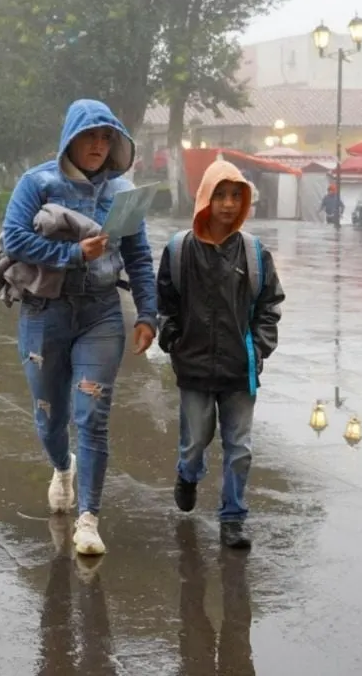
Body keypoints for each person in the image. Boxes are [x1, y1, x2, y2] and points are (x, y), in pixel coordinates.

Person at [1, 98, 158, 556]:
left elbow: (139, 257)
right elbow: (15, 238)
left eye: (106, 137)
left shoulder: (122, 192)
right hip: (43, 312)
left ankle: (89, 518)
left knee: (93, 416)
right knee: (50, 416)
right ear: (71, 138)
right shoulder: (37, 183)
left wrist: (147, 314)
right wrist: (74, 255)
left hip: (101, 314)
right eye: (90, 136)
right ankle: (62, 468)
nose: (98, 145)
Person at [157, 160, 284, 549]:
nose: (228, 204)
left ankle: (233, 517)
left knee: (239, 447)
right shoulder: (180, 251)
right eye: (220, 195)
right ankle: (188, 474)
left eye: (236, 196)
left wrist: (258, 347)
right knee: (195, 440)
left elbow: (270, 304)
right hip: (193, 366)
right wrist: (173, 340)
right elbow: (166, 303)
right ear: (204, 199)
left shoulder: (253, 252)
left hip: (239, 369)